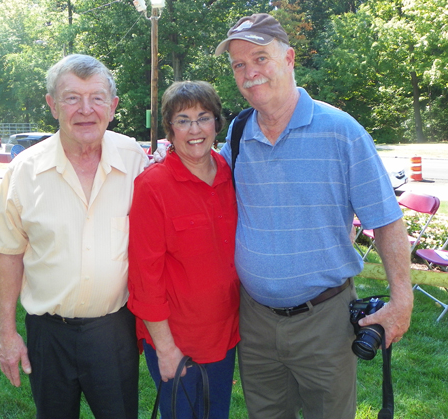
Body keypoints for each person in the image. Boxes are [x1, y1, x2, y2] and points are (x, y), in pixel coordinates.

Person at [212, 13, 414, 419]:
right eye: (238, 64)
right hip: (254, 321)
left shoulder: (341, 130)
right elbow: (205, 188)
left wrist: (402, 300)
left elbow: (387, 220)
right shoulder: (238, 133)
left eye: (260, 58)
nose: (250, 72)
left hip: (324, 321)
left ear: (288, 58)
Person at [0, 54, 148, 419]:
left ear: (113, 106)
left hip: (114, 332)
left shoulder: (135, 159)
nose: (85, 109)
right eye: (72, 97)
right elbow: (8, 253)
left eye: (97, 97)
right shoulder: (24, 170)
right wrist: (7, 335)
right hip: (48, 336)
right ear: (53, 105)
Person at [128, 81, 240, 419]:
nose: (195, 129)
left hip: (225, 336)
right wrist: (165, 349)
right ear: (170, 129)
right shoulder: (152, 186)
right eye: (183, 120)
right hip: (176, 341)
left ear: (216, 124)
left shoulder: (230, 175)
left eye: (203, 117)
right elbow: (145, 277)